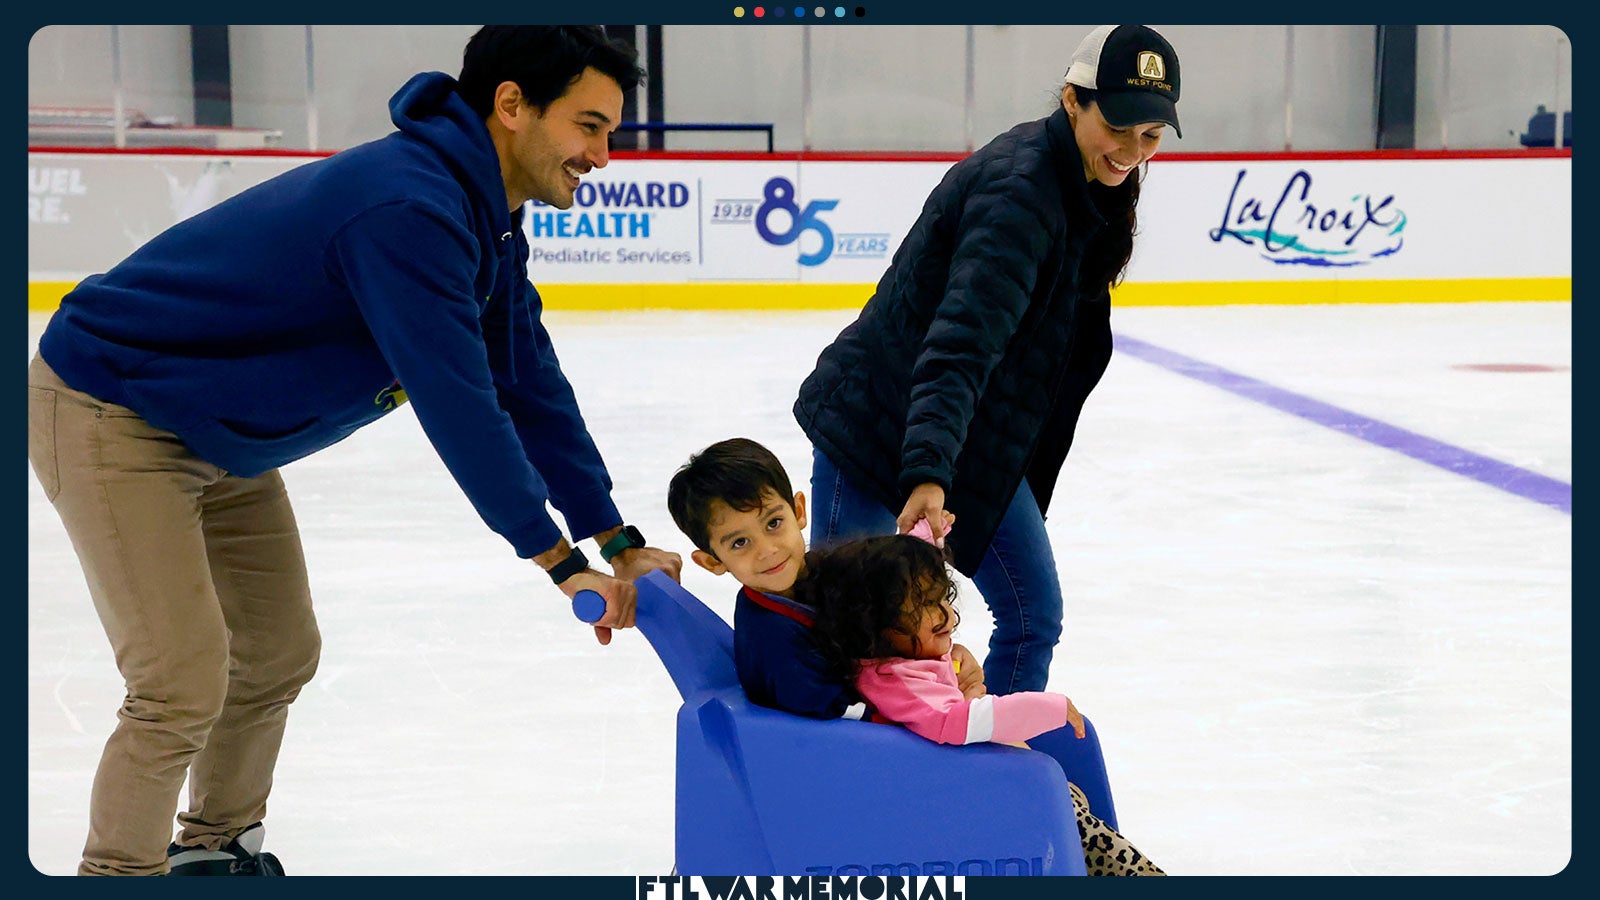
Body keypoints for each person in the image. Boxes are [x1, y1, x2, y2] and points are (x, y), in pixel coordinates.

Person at [25, 25, 683, 876]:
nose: (604, 154)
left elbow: (530, 385)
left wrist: (617, 541)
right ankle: (117, 876)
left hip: (223, 433)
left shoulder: (484, 216)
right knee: (180, 681)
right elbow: (462, 405)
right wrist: (560, 561)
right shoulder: (409, 209)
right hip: (114, 408)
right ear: (513, 105)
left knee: (277, 651)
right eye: (590, 126)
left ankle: (212, 852)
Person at [792, 25, 1182, 696]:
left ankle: (991, 779)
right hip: (876, 421)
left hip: (968, 436)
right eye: (1119, 125)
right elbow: (961, 341)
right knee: (837, 630)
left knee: (1033, 614)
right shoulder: (1021, 193)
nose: (1131, 150)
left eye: (1150, 136)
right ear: (1071, 100)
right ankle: (832, 780)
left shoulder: (1089, 186)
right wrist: (926, 471)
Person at [799, 534, 1166, 877]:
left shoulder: (905, 659)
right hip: (990, 800)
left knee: (1074, 810)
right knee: (1115, 860)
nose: (945, 612)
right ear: (876, 624)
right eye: (925, 604)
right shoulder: (897, 682)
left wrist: (932, 533)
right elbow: (957, 721)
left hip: (1009, 787)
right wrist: (1044, 709)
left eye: (943, 597)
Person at [665, 437, 978, 720]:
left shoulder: (830, 572)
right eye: (740, 542)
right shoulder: (772, 641)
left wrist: (947, 663)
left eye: (773, 523)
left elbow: (892, 633)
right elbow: (844, 721)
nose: (767, 550)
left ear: (799, 511)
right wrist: (937, 706)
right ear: (712, 562)